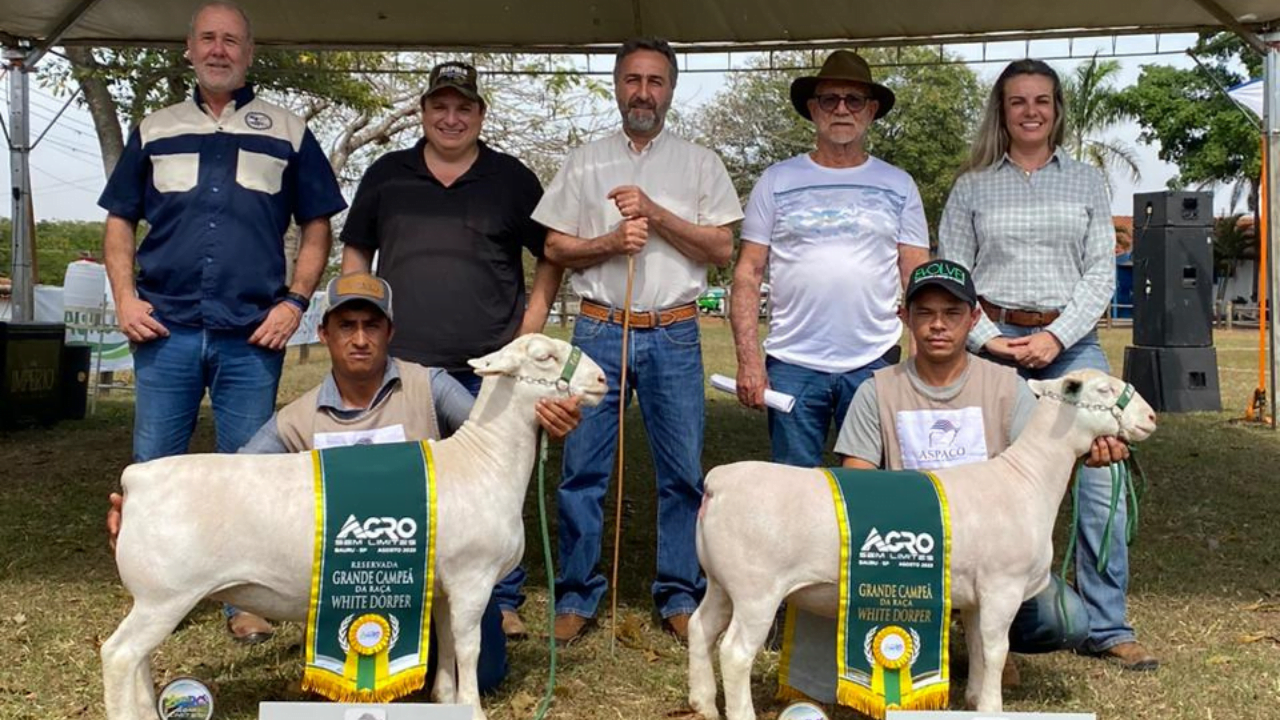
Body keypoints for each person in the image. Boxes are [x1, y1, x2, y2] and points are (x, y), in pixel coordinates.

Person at [107, 272, 580, 691]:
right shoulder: (298, 418)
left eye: (371, 325)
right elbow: (236, 476)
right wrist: (152, 512)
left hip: (417, 575)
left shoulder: (429, 386)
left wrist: (543, 416)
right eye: (346, 326)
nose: (359, 339)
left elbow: (486, 434)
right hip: (346, 585)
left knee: (489, 669)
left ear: (389, 332)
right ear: (325, 333)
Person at [97, 0, 346, 642]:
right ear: (188, 49)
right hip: (165, 328)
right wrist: (124, 298)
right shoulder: (154, 127)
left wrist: (294, 301)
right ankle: (158, 596)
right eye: (207, 38)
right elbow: (120, 219)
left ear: (249, 52)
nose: (218, 49)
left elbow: (318, 223)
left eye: (231, 40)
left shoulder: (287, 130)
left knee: (251, 475)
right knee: (155, 470)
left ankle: (245, 603)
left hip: (250, 333)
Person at [937, 59, 1156, 670]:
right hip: (995, 344)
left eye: (1041, 100)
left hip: (1074, 346)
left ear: (1057, 110)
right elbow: (952, 275)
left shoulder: (1086, 181)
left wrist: (1057, 338)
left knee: (1100, 480)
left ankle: (1108, 627)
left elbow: (1097, 272)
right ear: (1000, 113)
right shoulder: (973, 186)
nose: (1030, 111)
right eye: (1017, 102)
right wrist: (988, 340)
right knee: (982, 483)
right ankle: (984, 633)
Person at [339, 61, 566, 637]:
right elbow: (357, 254)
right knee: (404, 488)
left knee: (497, 484)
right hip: (404, 365)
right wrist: (355, 323)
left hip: (488, 367)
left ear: (480, 115)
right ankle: (403, 591)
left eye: (464, 107)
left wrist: (529, 330)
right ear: (422, 113)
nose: (451, 118)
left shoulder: (512, 178)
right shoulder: (387, 173)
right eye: (440, 106)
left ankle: (502, 600)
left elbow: (552, 256)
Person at [532, 37, 744, 645]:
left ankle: (679, 595)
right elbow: (553, 247)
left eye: (655, 81)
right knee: (582, 470)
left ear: (671, 90)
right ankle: (577, 595)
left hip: (674, 332)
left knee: (682, 474)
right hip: (600, 326)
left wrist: (655, 213)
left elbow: (721, 250)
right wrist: (607, 242)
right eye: (632, 80)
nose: (642, 92)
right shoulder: (585, 160)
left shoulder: (700, 162)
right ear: (617, 85)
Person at [833, 259, 1129, 686]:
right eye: (925, 313)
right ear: (905, 318)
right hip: (908, 556)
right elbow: (856, 489)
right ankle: (913, 645)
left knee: (1064, 620)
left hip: (991, 557)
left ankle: (989, 642)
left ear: (974, 319)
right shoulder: (875, 390)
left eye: (953, 314)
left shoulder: (1010, 386)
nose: (938, 325)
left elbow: (1046, 461)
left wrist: (1090, 453)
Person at [732, 50, 930, 467]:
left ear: (871, 110)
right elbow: (748, 273)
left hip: (874, 361)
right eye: (830, 99)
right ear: (812, 109)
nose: (841, 109)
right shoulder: (776, 180)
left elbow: (917, 277)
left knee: (872, 487)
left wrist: (918, 364)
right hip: (792, 363)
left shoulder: (899, 185)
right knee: (792, 493)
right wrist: (750, 362)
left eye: (853, 100)